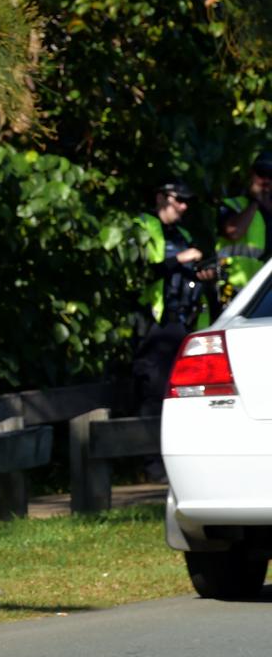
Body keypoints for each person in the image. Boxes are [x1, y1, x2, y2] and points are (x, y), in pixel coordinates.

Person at [131, 181, 206, 483]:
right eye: (179, 200)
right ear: (161, 197)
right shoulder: (143, 226)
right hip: (154, 324)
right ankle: (153, 468)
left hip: (181, 323)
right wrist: (181, 260)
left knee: (181, 395)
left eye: (187, 202)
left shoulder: (182, 235)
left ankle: (177, 465)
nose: (184, 207)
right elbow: (142, 272)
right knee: (153, 392)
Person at [207, 151, 272, 321]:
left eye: (270, 175)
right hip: (231, 293)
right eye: (261, 174)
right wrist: (256, 202)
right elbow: (233, 231)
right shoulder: (233, 205)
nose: (266, 180)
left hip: (263, 297)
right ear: (251, 175)